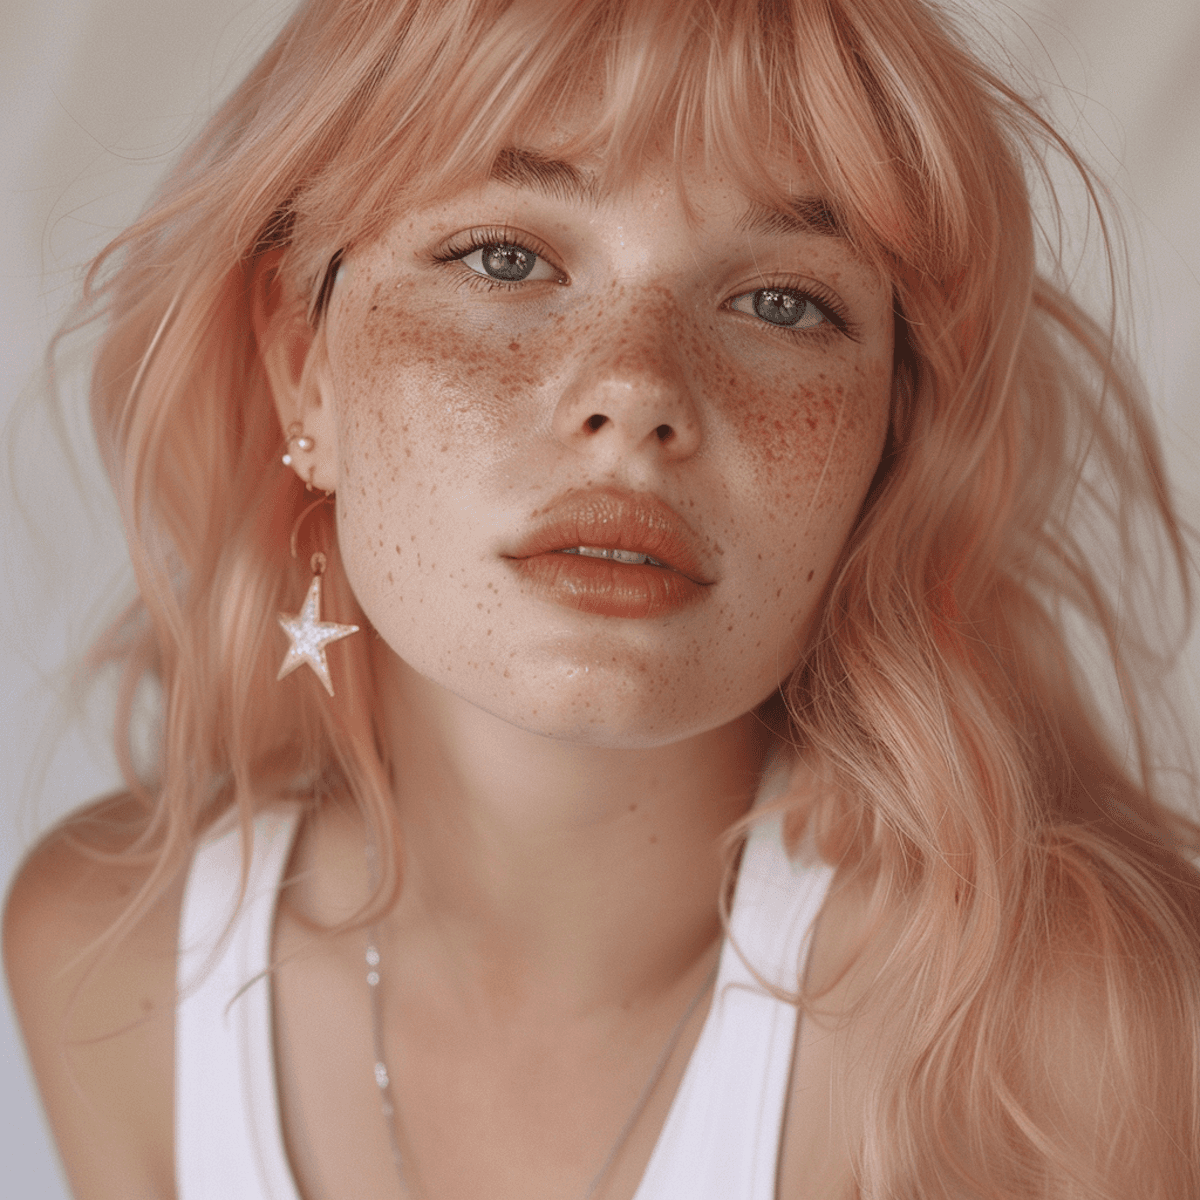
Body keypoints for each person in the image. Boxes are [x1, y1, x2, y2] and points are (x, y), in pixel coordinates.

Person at [4, 0, 1200, 1196]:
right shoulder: (110, 970)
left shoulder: (1076, 1048)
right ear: (302, 365)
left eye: (784, 301)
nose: (635, 391)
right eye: (505, 258)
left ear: (887, 444)